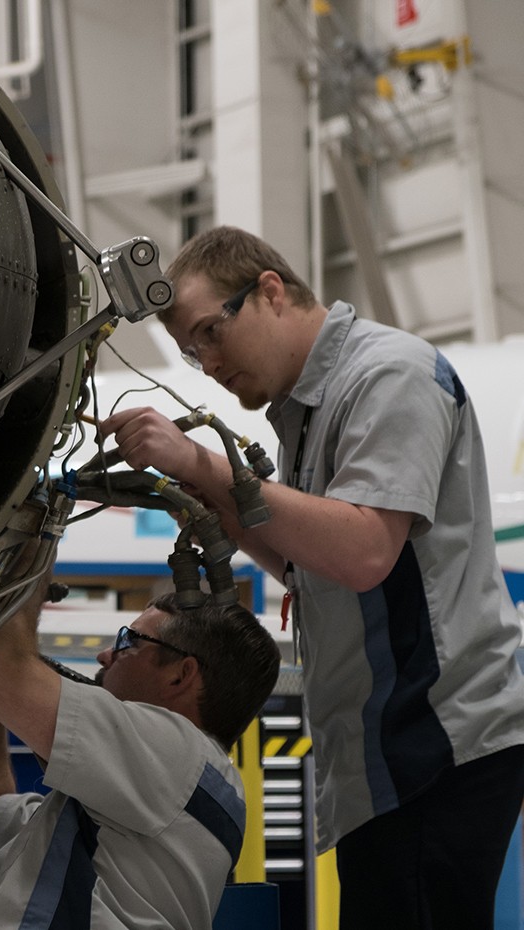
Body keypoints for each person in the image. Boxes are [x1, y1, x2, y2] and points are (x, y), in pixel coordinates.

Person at [101, 224, 524, 928]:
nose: (205, 362)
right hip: (383, 749)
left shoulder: (388, 375)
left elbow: (361, 554)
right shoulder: (302, 413)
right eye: (188, 349)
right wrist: (215, 502)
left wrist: (207, 466)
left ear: (270, 290)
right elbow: (306, 566)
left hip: (436, 741)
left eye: (211, 332)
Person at [0, 561, 282, 930]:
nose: (105, 655)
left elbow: (1, 671)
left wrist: (28, 567)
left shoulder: (178, 752)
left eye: (129, 642)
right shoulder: (130, 806)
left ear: (180, 675)